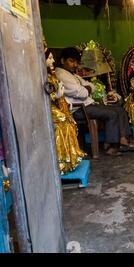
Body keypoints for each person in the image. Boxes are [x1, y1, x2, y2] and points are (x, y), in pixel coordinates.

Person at [55, 47, 134, 156]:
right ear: (62, 61)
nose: (75, 64)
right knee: (112, 114)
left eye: (76, 62)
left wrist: (85, 87)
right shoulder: (61, 74)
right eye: (71, 61)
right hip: (79, 109)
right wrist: (85, 88)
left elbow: (92, 86)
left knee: (119, 109)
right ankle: (111, 146)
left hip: (88, 105)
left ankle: (123, 140)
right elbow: (83, 93)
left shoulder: (72, 75)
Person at [45, 43, 86, 173]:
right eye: (49, 58)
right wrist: (56, 95)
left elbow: (86, 86)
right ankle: (63, 160)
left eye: (52, 58)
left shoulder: (53, 75)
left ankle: (70, 157)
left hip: (62, 105)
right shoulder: (58, 74)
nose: (53, 60)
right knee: (64, 121)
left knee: (69, 123)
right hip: (54, 108)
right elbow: (46, 95)